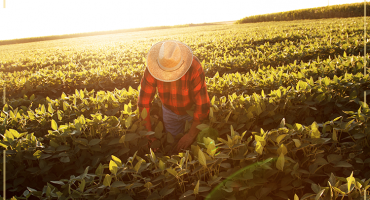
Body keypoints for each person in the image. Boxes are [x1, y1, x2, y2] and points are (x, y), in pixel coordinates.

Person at [137, 40, 210, 153]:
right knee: (174, 147)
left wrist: (191, 135)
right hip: (169, 111)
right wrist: (149, 135)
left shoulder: (194, 66)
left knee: (194, 147)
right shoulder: (152, 68)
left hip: (191, 111)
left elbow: (202, 106)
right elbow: (143, 103)